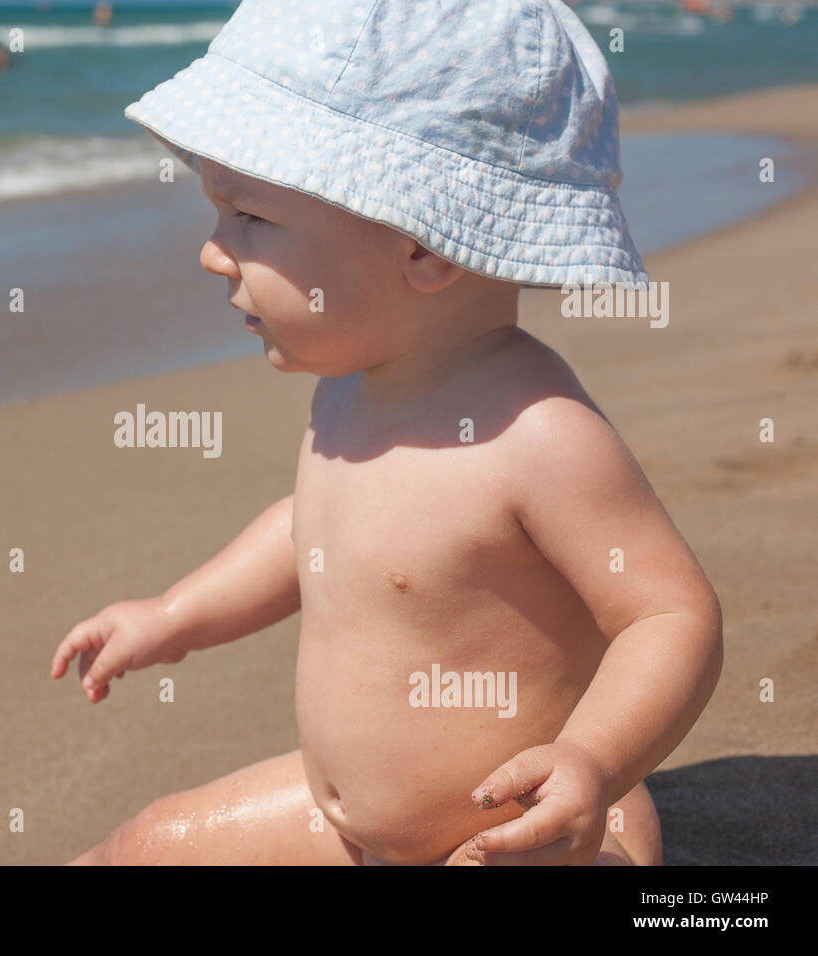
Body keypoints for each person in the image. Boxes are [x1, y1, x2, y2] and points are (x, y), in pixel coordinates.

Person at [51, 0, 721, 865]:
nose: (214, 253)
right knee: (146, 845)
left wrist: (592, 760)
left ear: (422, 246)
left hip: (520, 829)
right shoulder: (348, 394)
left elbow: (669, 613)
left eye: (249, 218)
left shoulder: (538, 435)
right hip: (348, 827)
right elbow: (310, 530)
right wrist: (175, 615)